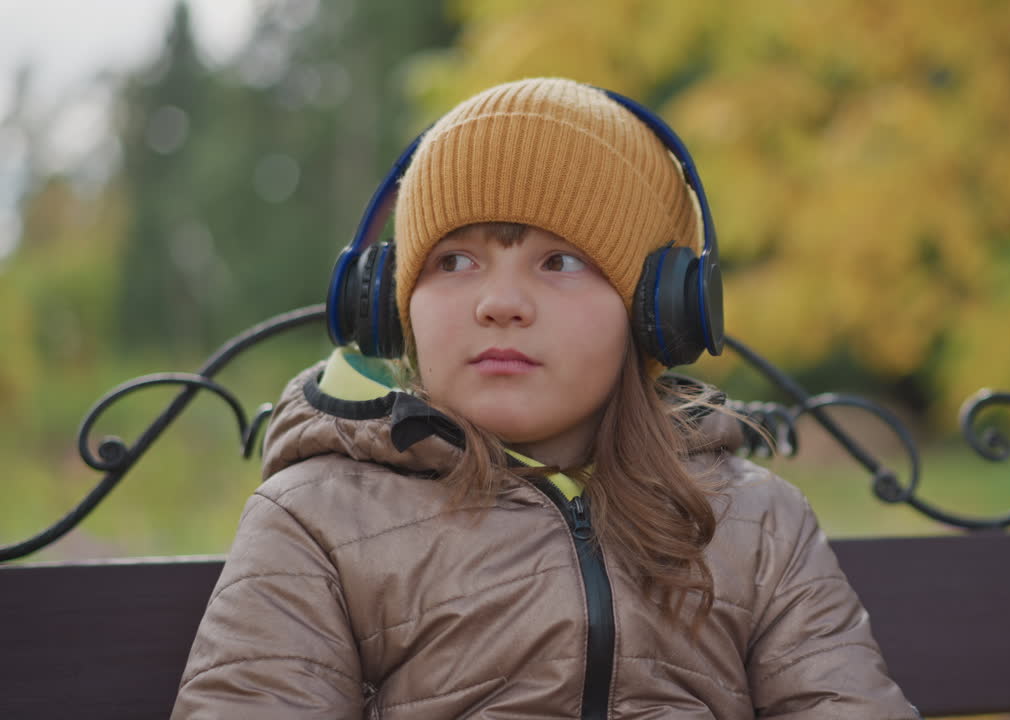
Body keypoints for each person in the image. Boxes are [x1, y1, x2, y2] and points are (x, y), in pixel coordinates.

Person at [172, 77, 916, 719]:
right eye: (454, 260)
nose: (500, 302)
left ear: (658, 309)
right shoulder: (318, 520)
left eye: (559, 261)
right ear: (391, 307)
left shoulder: (756, 526)